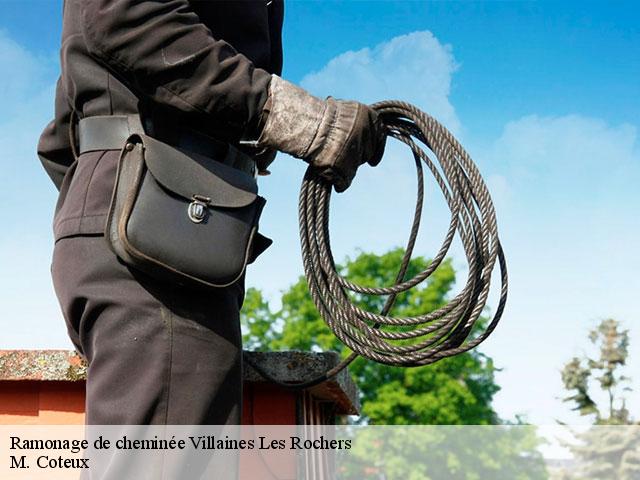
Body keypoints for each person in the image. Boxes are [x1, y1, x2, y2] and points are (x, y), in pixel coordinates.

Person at [38, 0, 385, 425]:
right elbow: (124, 17)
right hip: (157, 239)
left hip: (164, 230)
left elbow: (61, 139)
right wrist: (299, 119)